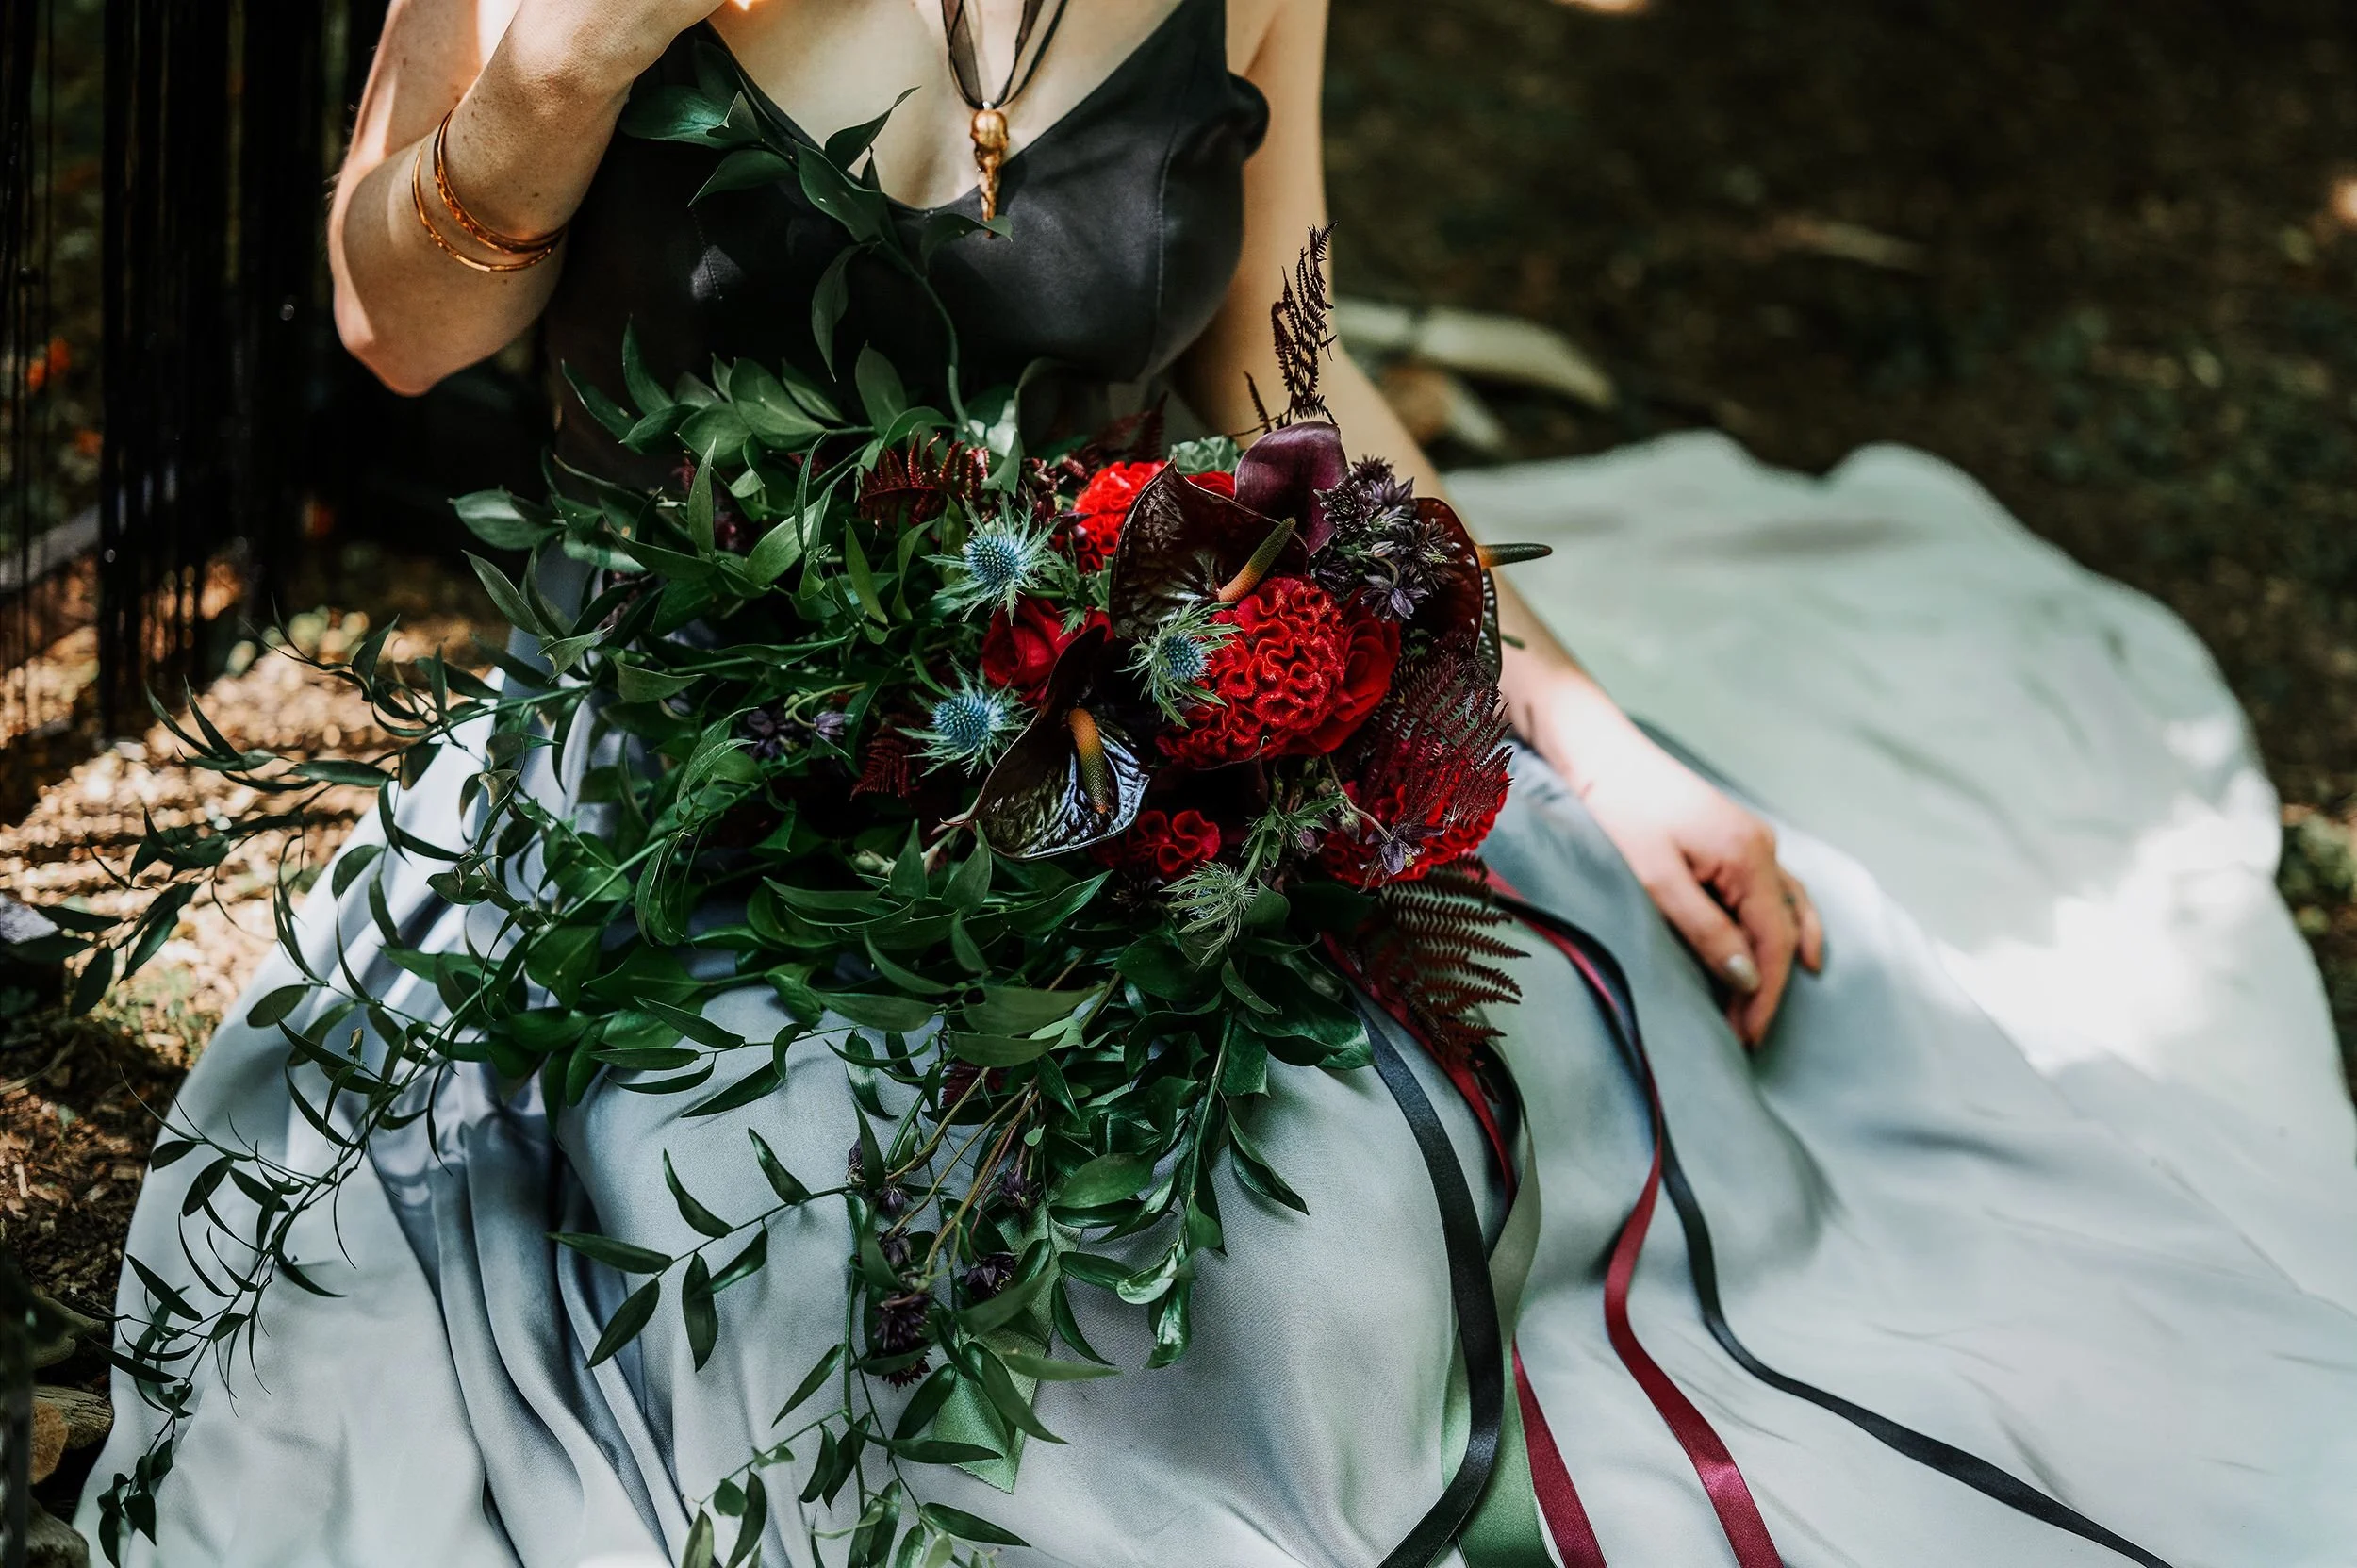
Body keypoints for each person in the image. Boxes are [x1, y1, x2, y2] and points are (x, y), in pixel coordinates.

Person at [81, 0, 2357, 1563]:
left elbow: (1280, 373)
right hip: (690, 789)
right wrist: (558, 70)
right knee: (801, 1298)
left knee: (1337, 1213)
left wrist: (1593, 730)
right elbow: (400, 323)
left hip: (1103, 745)